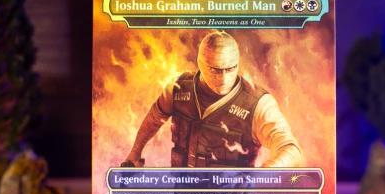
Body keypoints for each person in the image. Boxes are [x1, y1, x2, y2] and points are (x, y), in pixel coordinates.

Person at [122, 31, 303, 168]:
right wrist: (135, 153)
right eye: (215, 70)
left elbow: (291, 148)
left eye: (230, 69)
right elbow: (154, 118)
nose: (223, 78)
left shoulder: (257, 104)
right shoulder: (178, 89)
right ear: (200, 63)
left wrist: (265, 173)